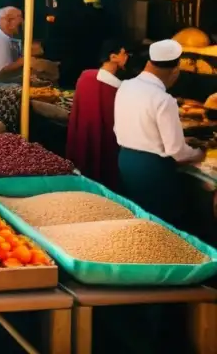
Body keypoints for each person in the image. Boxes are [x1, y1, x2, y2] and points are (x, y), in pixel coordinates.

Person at [114, 39, 204, 223]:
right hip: (152, 168)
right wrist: (199, 153)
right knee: (163, 222)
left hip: (126, 160)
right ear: (175, 71)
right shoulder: (164, 100)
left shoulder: (125, 86)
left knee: (141, 216)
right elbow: (177, 151)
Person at [66, 39, 129, 191]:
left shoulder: (85, 76)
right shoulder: (119, 88)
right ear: (113, 57)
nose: (126, 56)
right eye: (123, 53)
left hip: (83, 135)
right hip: (107, 141)